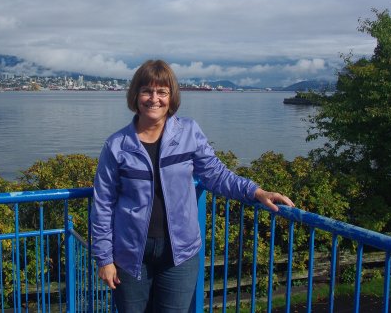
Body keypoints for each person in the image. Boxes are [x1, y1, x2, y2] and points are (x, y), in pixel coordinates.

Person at [91, 59, 294, 312]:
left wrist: (255, 191)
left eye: (162, 92)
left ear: (171, 96)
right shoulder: (117, 145)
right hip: (130, 254)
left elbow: (216, 174)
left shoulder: (188, 132)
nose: (154, 99)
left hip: (180, 252)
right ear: (136, 95)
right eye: (147, 91)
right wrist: (104, 258)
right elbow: (103, 203)